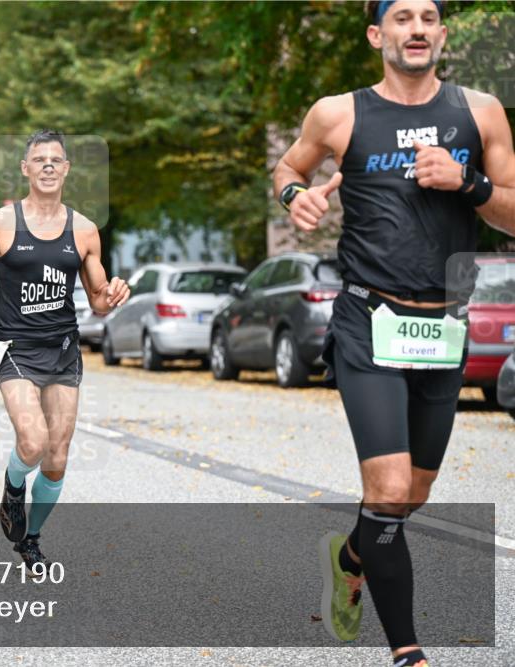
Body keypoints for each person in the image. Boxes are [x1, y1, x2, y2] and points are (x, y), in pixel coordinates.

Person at [273, 2, 514, 665]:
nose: (416, 27)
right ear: (378, 35)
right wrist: (300, 199)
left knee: (409, 496)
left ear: (441, 34)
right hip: (366, 320)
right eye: (401, 16)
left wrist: (468, 182)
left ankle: (351, 556)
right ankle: (408, 651)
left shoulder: (482, 111)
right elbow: (288, 169)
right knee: (386, 490)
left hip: (442, 326)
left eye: (428, 16)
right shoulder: (338, 113)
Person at [0, 130, 130, 569]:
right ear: (26, 168)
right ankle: (13, 485)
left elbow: (96, 300)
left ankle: (30, 538)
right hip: (16, 349)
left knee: (57, 455)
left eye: (57, 159)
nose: (49, 166)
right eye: (40, 159)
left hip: (62, 350)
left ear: (68, 169)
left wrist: (111, 296)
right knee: (32, 441)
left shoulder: (85, 230)